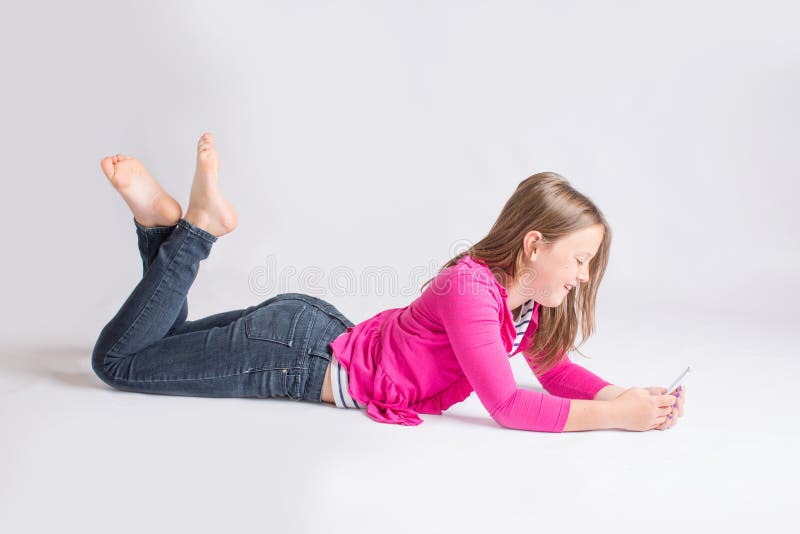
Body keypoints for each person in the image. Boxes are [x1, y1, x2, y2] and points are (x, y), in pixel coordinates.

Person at [92, 132, 686, 433]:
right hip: (295, 357)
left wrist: (628, 399)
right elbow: (506, 404)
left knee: (164, 344)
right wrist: (613, 419)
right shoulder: (472, 290)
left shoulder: (523, 301)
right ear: (534, 245)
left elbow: (555, 374)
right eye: (580, 261)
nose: (583, 279)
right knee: (118, 363)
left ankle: (159, 226)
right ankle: (194, 231)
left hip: (311, 337)